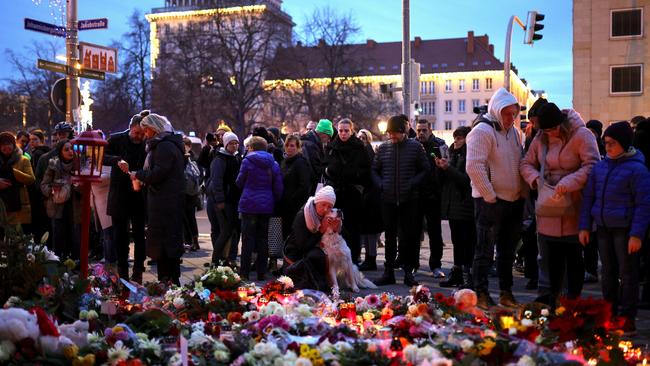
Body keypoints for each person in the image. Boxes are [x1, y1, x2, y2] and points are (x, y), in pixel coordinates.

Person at [520, 102, 600, 307]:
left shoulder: (582, 135)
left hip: (574, 204)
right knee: (552, 258)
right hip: (549, 206)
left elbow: (592, 165)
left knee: (574, 257)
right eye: (545, 130)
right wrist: (536, 180)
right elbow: (526, 164)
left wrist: (569, 182)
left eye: (553, 129)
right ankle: (554, 302)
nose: (550, 133)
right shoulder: (541, 138)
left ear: (561, 124)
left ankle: (572, 301)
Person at [579, 121, 650, 333]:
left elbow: (644, 204)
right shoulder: (600, 167)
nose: (607, 147)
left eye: (612, 143)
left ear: (624, 144)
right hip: (603, 227)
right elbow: (589, 198)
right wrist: (584, 226)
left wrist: (637, 234)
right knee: (607, 272)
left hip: (625, 229)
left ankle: (627, 316)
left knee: (628, 273)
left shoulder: (638, 170)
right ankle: (609, 311)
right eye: (605, 143)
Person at [466, 87, 525, 309]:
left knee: (507, 252)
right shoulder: (482, 131)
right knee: (484, 250)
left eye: (514, 114)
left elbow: (518, 163)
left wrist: (521, 193)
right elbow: (474, 166)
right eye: (507, 113)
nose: (511, 118)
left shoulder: (514, 133)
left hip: (513, 200)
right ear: (497, 110)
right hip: (490, 202)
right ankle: (480, 293)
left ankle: (505, 293)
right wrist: (489, 195)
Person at [373, 114, 429, 287]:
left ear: (403, 131)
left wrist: (413, 183)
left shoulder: (415, 147)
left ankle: (408, 272)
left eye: (395, 133)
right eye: (389, 133)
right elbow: (374, 170)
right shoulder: (383, 148)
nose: (392, 136)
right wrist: (381, 184)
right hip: (388, 199)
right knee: (389, 237)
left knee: (408, 237)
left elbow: (425, 169)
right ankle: (388, 272)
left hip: (409, 199)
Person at [131, 113, 185, 285]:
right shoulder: (168, 145)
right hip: (167, 201)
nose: (145, 134)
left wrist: (139, 175)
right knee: (166, 243)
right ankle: (168, 280)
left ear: (154, 129)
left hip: (165, 203)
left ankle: (168, 281)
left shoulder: (164, 147)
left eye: (146, 130)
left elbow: (158, 173)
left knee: (165, 244)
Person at [104, 112, 148, 283]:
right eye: (136, 133)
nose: (139, 137)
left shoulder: (146, 143)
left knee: (139, 235)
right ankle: (122, 272)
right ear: (130, 128)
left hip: (139, 194)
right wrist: (117, 160)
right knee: (120, 236)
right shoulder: (115, 140)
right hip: (119, 194)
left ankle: (138, 270)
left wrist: (142, 176)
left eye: (142, 134)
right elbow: (102, 157)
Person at [236, 136, 283, 281]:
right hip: (266, 206)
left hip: (248, 205)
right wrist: (272, 200)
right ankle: (261, 272)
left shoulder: (246, 161)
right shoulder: (273, 164)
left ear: (251, 147)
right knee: (263, 240)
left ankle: (244, 272)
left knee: (248, 239)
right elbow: (278, 187)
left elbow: (239, 182)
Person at [325, 118, 371, 265]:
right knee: (335, 227)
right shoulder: (332, 147)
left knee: (353, 227)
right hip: (336, 192)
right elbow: (325, 166)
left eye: (346, 130)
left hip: (352, 193)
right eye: (340, 130)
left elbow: (366, 170)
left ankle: (354, 257)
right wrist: (329, 172)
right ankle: (336, 257)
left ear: (352, 131)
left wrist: (356, 180)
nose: (343, 133)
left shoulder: (359, 147)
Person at [438, 126, 475, 288]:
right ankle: (457, 273)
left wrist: (448, 168)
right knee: (457, 241)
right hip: (452, 205)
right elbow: (445, 181)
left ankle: (468, 278)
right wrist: (440, 167)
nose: (456, 141)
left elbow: (466, 180)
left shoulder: (470, 154)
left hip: (465, 205)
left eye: (460, 138)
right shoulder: (451, 153)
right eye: (455, 137)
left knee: (467, 243)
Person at [283, 185, 336, 291]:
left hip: (309, 249)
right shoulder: (303, 216)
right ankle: (318, 285)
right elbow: (302, 246)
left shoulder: (327, 216)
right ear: (316, 202)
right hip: (295, 255)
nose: (326, 209)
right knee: (318, 255)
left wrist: (336, 227)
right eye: (323, 205)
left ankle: (327, 284)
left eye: (329, 206)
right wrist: (321, 231)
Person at [415, 119, 447, 278]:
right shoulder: (412, 145)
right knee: (414, 232)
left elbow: (448, 167)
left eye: (424, 130)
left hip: (434, 195)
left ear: (430, 130)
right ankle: (413, 264)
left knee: (435, 232)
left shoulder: (439, 145)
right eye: (418, 130)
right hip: (416, 195)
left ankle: (436, 264)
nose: (421, 133)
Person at [206, 131, 242, 267]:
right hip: (224, 201)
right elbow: (217, 181)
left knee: (232, 230)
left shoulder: (236, 157)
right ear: (226, 145)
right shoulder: (220, 159)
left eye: (236, 143)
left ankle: (226, 258)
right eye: (231, 143)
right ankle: (216, 259)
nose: (234, 146)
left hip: (233, 200)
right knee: (226, 230)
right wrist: (220, 200)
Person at [41, 140, 80, 259]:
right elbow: (44, 185)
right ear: (60, 152)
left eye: (71, 149)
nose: (70, 152)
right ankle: (58, 264)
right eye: (66, 149)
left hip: (75, 206)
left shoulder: (79, 163)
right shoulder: (53, 164)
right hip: (57, 206)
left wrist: (77, 185)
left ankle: (75, 263)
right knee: (58, 236)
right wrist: (53, 190)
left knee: (75, 237)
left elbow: (86, 186)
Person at [583, 119, 605, 284]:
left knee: (599, 239)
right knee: (588, 238)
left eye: (594, 132)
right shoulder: (584, 148)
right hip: (587, 199)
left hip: (602, 201)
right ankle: (589, 269)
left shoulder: (604, 149)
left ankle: (596, 269)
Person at [356, 129, 383, 271]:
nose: (361, 139)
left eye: (364, 137)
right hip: (367, 195)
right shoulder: (364, 152)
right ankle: (369, 258)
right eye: (359, 137)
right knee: (366, 230)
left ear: (368, 139)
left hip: (370, 196)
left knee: (370, 230)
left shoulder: (367, 152)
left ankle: (371, 258)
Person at [278, 134, 312, 241]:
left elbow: (304, 185)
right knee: (285, 234)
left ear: (298, 148)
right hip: (284, 205)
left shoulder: (301, 163)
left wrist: (292, 199)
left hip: (295, 206)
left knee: (293, 234)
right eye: (287, 145)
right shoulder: (284, 162)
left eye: (292, 146)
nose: (289, 148)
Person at [0, 132, 35, 232]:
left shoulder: (23, 160)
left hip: (18, 205)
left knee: (18, 237)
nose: (6, 147)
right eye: (3, 144)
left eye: (8, 144)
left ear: (13, 144)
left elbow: (31, 179)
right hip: (1, 206)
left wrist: (13, 171)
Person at [301, 119, 333, 190]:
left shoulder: (311, 142)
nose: (328, 141)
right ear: (324, 134)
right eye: (329, 137)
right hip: (308, 187)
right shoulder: (311, 145)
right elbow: (315, 170)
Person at [182, 136, 201, 252]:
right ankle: (190, 241)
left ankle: (193, 241)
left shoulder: (191, 159)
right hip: (190, 191)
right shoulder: (191, 158)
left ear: (189, 147)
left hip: (189, 192)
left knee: (189, 217)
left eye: (185, 146)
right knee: (186, 218)